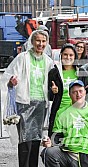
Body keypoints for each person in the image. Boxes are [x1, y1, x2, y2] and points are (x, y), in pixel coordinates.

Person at [1, 30, 53, 167]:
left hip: (41, 104)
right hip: (24, 103)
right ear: (32, 41)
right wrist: (11, 82)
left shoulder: (48, 62)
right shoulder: (22, 58)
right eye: (38, 41)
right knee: (24, 140)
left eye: (43, 41)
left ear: (46, 43)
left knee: (36, 139)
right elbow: (8, 76)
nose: (40, 44)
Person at [41, 80, 88, 167]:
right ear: (69, 94)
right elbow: (56, 136)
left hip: (87, 156)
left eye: (80, 91)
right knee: (48, 153)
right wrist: (51, 144)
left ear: (85, 92)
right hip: (66, 153)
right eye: (74, 92)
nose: (78, 95)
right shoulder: (61, 113)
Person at [47, 43, 78, 137]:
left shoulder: (80, 72)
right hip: (59, 111)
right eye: (65, 54)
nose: (68, 57)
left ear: (75, 56)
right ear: (61, 56)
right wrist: (53, 91)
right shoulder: (54, 72)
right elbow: (49, 96)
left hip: (75, 112)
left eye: (71, 55)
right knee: (56, 140)